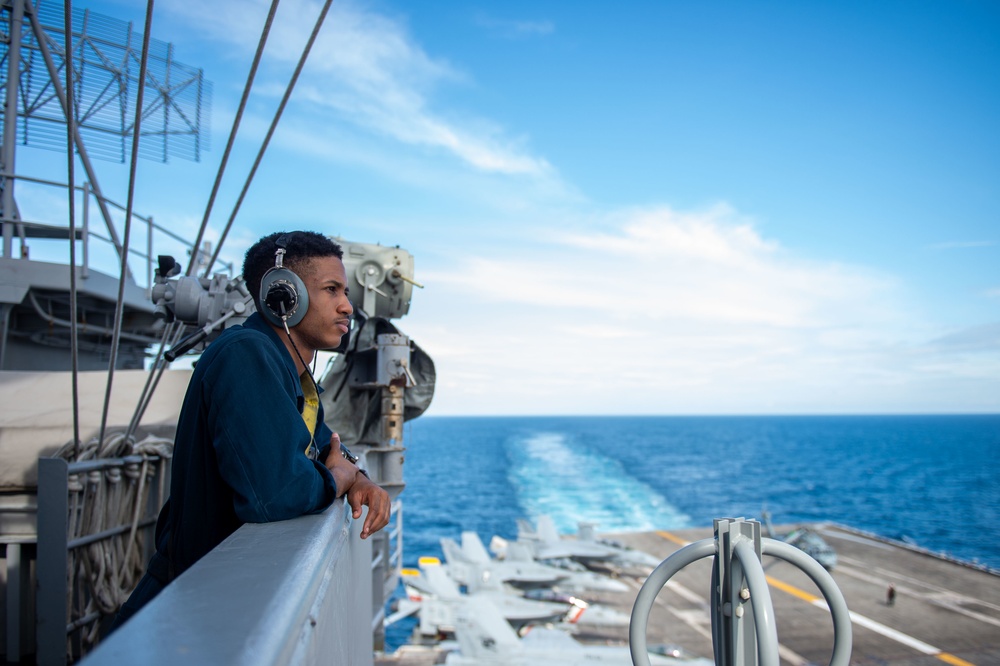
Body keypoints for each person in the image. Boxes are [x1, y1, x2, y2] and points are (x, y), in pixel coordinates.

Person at [112, 231, 390, 629]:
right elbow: (276, 495)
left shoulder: (284, 371)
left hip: (213, 599)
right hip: (183, 608)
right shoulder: (247, 354)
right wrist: (339, 477)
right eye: (332, 290)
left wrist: (357, 476)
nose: (347, 306)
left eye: (345, 291)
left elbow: (327, 443)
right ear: (284, 295)